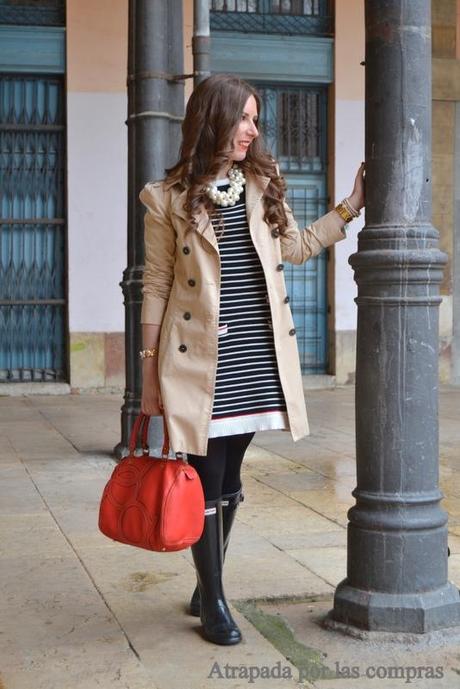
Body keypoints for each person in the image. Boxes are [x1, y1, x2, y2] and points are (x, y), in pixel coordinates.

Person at [139, 74, 365, 646]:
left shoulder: (259, 184)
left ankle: (203, 580)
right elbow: (157, 286)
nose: (252, 130)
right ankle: (214, 598)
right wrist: (148, 376)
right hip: (197, 362)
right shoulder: (165, 199)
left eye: (255, 119)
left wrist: (351, 206)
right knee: (206, 476)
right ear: (213, 119)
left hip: (256, 356)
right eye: (243, 118)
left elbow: (294, 247)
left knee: (231, 475)